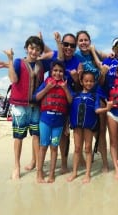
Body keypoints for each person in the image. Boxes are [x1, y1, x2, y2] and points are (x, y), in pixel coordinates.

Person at [2, 35, 51, 179]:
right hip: (20, 106)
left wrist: (43, 42)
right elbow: (13, 79)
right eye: (31, 48)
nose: (34, 52)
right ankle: (16, 166)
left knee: (36, 135)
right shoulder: (18, 62)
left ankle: (36, 165)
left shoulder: (42, 65)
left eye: (37, 49)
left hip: (36, 106)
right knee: (19, 136)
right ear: (26, 48)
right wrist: (10, 60)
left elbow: (55, 56)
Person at [41, 32, 84, 174]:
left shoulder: (78, 63)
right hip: (51, 102)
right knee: (44, 136)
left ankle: (69, 161)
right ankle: (40, 163)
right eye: (66, 44)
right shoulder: (54, 54)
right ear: (61, 45)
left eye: (72, 45)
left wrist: (77, 78)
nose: (69, 47)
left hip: (68, 101)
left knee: (65, 134)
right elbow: (36, 58)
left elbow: (80, 86)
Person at [67, 71, 113, 183]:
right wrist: (64, 87)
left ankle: (87, 173)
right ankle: (74, 172)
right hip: (77, 126)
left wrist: (107, 109)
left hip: (89, 126)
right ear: (81, 82)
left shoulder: (95, 96)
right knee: (77, 149)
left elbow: (97, 110)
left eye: (91, 81)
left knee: (88, 148)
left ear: (94, 82)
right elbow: (68, 103)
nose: (89, 83)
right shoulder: (75, 95)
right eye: (86, 81)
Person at [75, 30, 110, 172]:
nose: (83, 42)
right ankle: (83, 158)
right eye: (81, 40)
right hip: (82, 97)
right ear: (77, 43)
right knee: (82, 129)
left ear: (90, 41)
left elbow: (109, 56)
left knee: (101, 131)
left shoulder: (95, 53)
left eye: (86, 40)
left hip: (98, 95)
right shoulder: (75, 56)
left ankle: (105, 163)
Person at [33, 60, 72, 183]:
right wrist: (47, 88)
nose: (58, 73)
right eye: (55, 70)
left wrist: (65, 89)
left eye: (60, 71)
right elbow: (36, 97)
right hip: (45, 121)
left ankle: (51, 174)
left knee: (54, 147)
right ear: (51, 72)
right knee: (43, 146)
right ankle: (39, 173)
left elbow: (70, 101)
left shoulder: (65, 84)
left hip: (58, 123)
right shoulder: (46, 83)